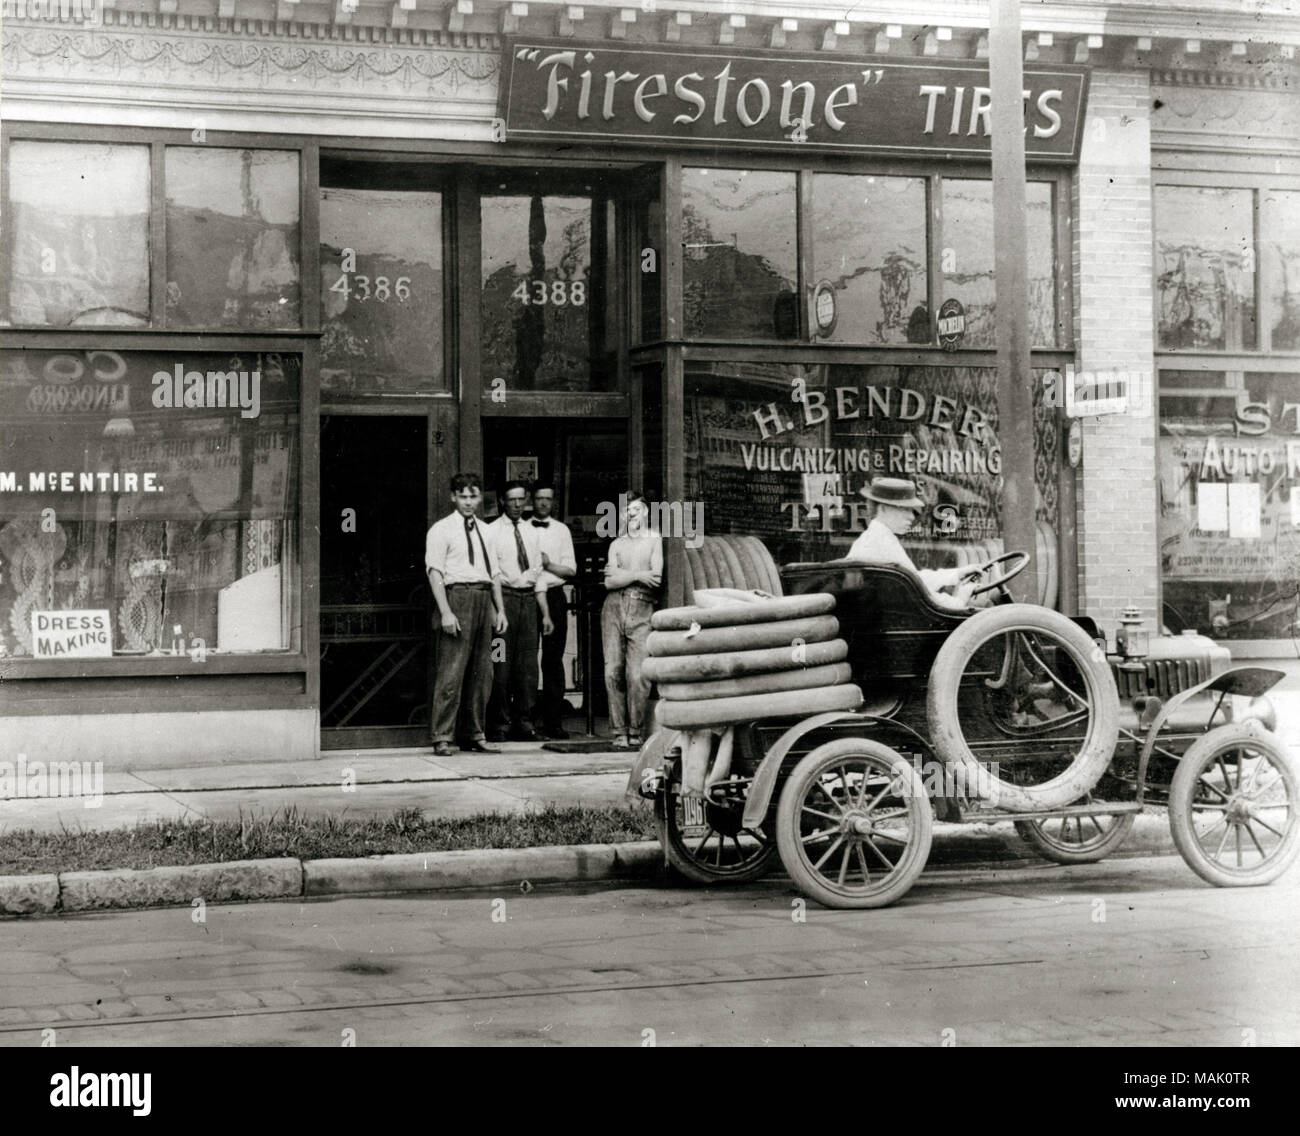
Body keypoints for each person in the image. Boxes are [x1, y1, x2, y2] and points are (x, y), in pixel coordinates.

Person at [426, 472, 508, 757]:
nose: (469, 502)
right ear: (453, 497)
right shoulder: (441, 530)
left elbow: (494, 573)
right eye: (463, 496)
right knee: (452, 671)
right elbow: (435, 572)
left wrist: (499, 609)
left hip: (484, 597)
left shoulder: (488, 531)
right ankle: (443, 736)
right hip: (457, 596)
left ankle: (475, 733)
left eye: (474, 496)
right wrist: (446, 611)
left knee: (483, 672)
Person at [846, 477, 977, 612]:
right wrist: (960, 600)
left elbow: (914, 580)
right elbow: (922, 596)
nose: (912, 517)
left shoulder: (876, 537)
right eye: (904, 509)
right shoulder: (880, 543)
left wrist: (957, 574)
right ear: (884, 508)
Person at [484, 480, 549, 741]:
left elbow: (538, 571)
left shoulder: (532, 532)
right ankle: (500, 723)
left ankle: (524, 722)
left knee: (528, 666)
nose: (517, 504)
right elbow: (492, 575)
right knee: (500, 664)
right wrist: (498, 609)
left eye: (521, 499)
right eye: (511, 499)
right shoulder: (491, 532)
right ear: (502, 501)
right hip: (505, 601)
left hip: (528, 602)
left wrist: (544, 612)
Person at [601, 491, 662, 750]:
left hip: (641, 606)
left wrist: (624, 574)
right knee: (612, 671)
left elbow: (656, 577)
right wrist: (639, 573)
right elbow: (609, 581)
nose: (631, 515)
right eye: (627, 511)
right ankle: (619, 732)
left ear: (646, 511)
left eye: (635, 510)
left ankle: (636, 730)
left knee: (637, 674)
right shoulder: (617, 543)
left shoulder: (654, 539)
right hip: (614, 606)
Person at [530, 481, 577, 739]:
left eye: (548, 498)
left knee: (553, 659)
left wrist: (547, 564)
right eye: (539, 498)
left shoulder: (562, 531)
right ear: (532, 501)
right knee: (516, 658)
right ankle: (523, 721)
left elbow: (570, 570)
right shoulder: (523, 529)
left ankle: (553, 722)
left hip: (554, 596)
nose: (544, 503)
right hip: (527, 596)